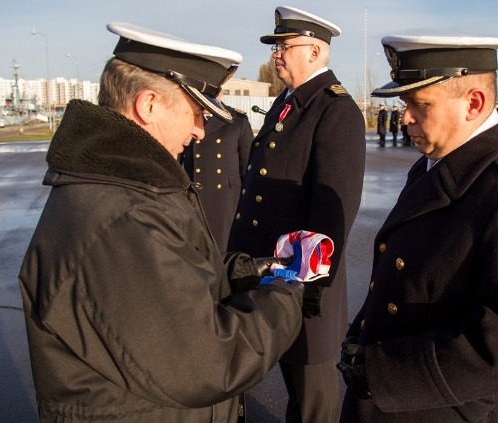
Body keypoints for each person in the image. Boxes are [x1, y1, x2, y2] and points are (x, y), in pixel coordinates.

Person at [18, 22, 305, 422]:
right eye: (195, 112)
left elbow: (174, 273)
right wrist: (285, 291)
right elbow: (210, 361)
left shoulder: (127, 185)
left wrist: (249, 271)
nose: (200, 129)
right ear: (148, 104)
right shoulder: (123, 217)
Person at [337, 35, 498, 423]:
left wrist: (387, 372)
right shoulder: (436, 165)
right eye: (405, 104)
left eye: (420, 104)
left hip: (442, 408)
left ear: (474, 103)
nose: (406, 117)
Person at [227, 6, 366, 423]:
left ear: (315, 51)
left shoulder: (334, 110)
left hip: (300, 282)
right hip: (266, 272)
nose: (277, 54)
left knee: (312, 401)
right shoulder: (289, 103)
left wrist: (311, 285)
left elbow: (333, 210)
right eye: (276, 47)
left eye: (286, 46)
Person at [181, 91, 254, 251]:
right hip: (194, 200)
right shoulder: (186, 117)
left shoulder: (237, 120)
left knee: (223, 251)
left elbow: (249, 167)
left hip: (226, 202)